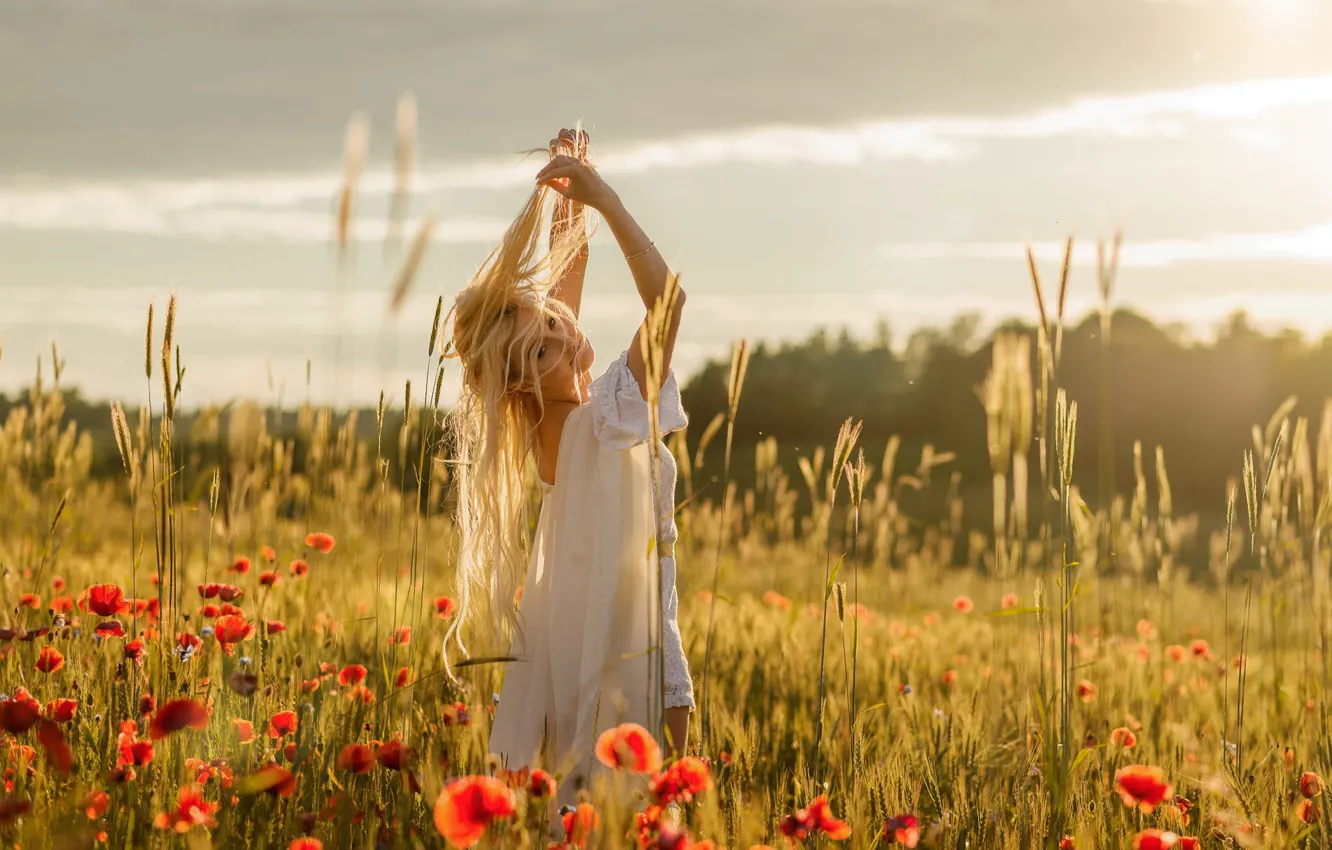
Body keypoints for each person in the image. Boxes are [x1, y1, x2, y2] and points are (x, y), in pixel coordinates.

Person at [441, 129, 694, 807]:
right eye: (546, 347)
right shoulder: (603, 420)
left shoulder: (560, 423)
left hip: (611, 634)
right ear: (526, 381)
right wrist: (606, 201)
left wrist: (569, 199)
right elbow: (668, 304)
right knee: (653, 809)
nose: (565, 333)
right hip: (634, 643)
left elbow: (562, 291)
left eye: (552, 324)